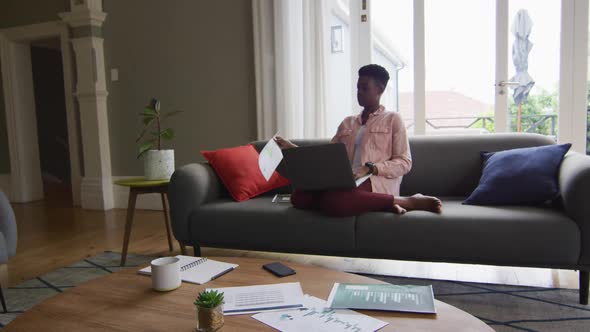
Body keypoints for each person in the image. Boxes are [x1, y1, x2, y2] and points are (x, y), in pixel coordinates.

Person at [274, 64, 442, 217]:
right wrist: (292, 148)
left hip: (374, 181)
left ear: (380, 90)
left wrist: (369, 169)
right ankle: (384, 204)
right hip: (344, 181)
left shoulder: (393, 119)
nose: (359, 92)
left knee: (337, 202)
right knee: (298, 197)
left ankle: (408, 201)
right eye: (357, 88)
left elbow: (405, 162)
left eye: (364, 88)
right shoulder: (347, 122)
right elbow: (325, 157)